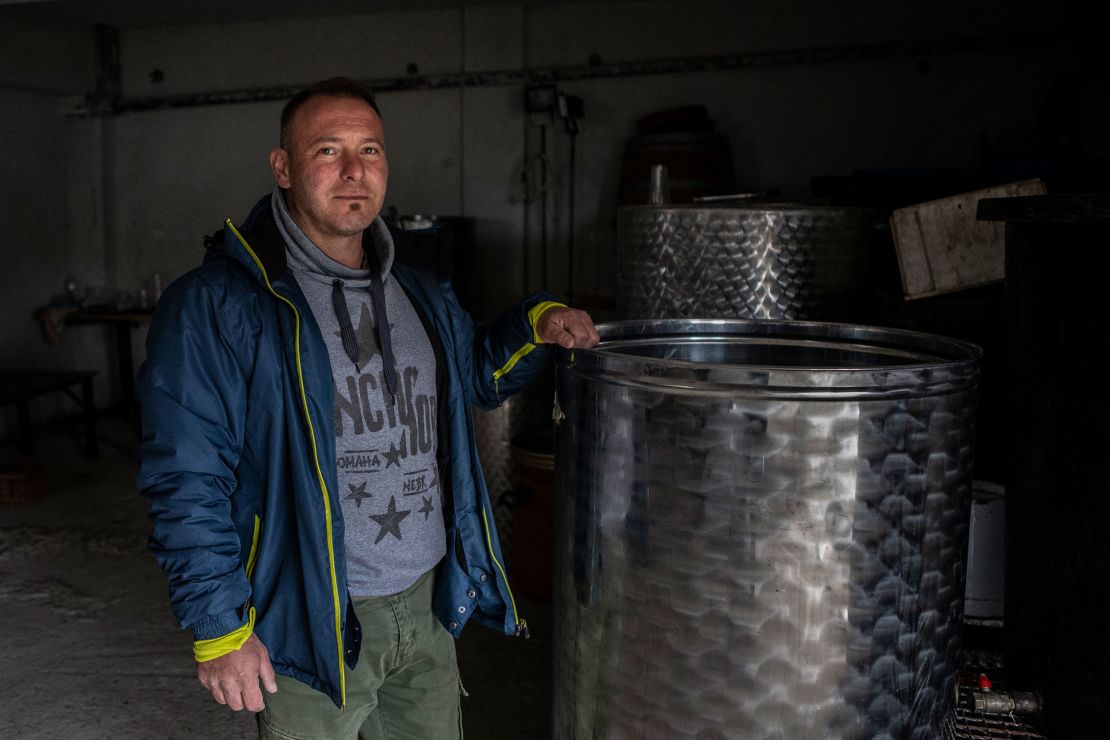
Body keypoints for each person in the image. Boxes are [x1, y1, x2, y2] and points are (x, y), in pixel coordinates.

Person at [137, 76, 599, 739]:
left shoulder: (419, 291)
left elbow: (471, 378)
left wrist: (538, 323)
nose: (355, 170)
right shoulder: (218, 305)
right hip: (310, 610)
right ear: (284, 167)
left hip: (428, 600)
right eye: (329, 150)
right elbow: (185, 476)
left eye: (371, 150)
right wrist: (219, 628)